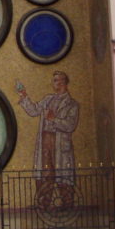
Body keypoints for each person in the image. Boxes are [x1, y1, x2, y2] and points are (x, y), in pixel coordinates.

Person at [17, 71, 79, 208]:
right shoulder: (48, 99)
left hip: (60, 143)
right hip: (45, 140)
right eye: (54, 80)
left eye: (58, 80)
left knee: (63, 174)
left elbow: (70, 125)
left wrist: (54, 119)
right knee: (45, 172)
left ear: (64, 82)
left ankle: (67, 204)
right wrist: (24, 96)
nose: (55, 83)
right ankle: (43, 203)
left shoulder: (72, 104)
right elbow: (33, 111)